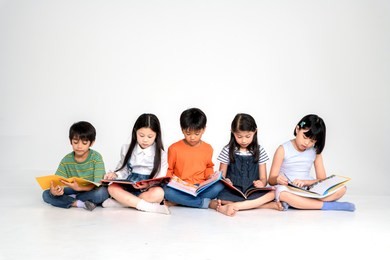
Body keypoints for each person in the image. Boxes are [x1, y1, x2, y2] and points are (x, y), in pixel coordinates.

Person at [268, 114, 355, 211]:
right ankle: (326, 205)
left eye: (312, 141)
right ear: (297, 129)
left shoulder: (315, 152)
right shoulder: (283, 149)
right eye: (305, 137)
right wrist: (278, 179)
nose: (307, 143)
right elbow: (271, 180)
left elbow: (322, 180)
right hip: (288, 189)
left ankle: (301, 203)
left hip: (307, 189)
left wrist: (305, 182)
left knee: (342, 189)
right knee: (282, 193)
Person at [214, 113, 284, 216]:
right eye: (239, 136)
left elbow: (264, 178)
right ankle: (263, 205)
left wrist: (261, 183)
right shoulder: (227, 150)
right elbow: (221, 176)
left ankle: (236, 205)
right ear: (233, 133)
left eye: (248, 136)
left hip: (252, 190)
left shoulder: (259, 151)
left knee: (273, 193)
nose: (243, 140)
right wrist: (226, 181)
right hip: (234, 191)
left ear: (255, 132)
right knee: (220, 198)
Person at [102, 113, 170, 214]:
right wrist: (115, 174)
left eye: (150, 136)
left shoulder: (161, 154)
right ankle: (148, 207)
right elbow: (123, 169)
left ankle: (122, 203)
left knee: (159, 193)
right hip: (130, 183)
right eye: (141, 135)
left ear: (156, 135)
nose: (145, 140)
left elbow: (161, 175)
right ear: (135, 132)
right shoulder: (127, 148)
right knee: (112, 188)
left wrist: (149, 183)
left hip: (148, 187)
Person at [163, 107, 225, 209]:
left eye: (197, 134)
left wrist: (210, 177)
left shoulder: (208, 148)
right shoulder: (174, 148)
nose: (192, 137)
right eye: (188, 134)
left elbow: (209, 167)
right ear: (182, 130)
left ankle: (181, 201)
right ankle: (205, 203)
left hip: (200, 187)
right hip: (180, 187)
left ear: (204, 129)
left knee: (220, 186)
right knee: (166, 191)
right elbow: (169, 170)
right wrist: (170, 182)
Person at [42, 121, 109, 211]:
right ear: (71, 141)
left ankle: (71, 198)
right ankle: (79, 203)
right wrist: (55, 191)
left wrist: (80, 188)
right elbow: (57, 182)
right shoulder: (66, 160)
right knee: (46, 194)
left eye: (84, 143)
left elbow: (98, 184)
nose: (79, 146)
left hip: (90, 190)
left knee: (102, 193)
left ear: (91, 143)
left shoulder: (96, 158)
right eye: (75, 142)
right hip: (72, 189)